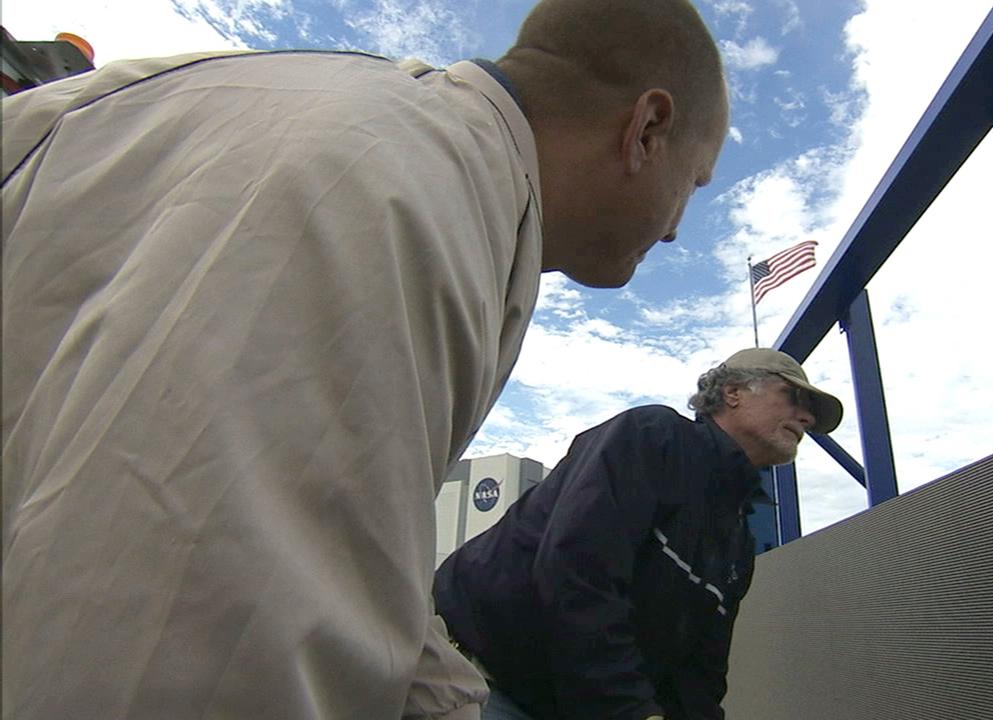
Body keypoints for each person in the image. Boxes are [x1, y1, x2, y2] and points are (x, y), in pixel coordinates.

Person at [0, 1, 728, 718]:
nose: (673, 232)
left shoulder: (410, 143)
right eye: (693, 185)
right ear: (647, 129)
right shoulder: (406, 193)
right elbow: (181, 634)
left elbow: (324, 564)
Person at [433, 348, 844, 720]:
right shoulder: (652, 437)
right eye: (795, 398)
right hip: (477, 681)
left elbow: (700, 671)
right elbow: (575, 574)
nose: (806, 418)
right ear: (734, 391)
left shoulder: (737, 539)